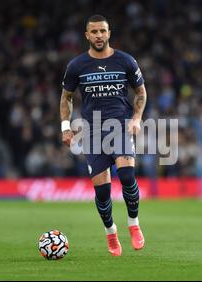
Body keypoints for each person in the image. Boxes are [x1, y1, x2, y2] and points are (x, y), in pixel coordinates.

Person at [59, 15, 147, 256]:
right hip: (92, 130)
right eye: (94, 31)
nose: (99, 35)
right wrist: (65, 126)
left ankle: (134, 224)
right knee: (102, 191)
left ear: (109, 33)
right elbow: (65, 97)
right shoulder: (77, 66)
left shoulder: (126, 61)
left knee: (127, 174)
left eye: (103, 31)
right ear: (86, 35)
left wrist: (137, 118)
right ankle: (111, 232)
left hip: (120, 125)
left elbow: (140, 92)